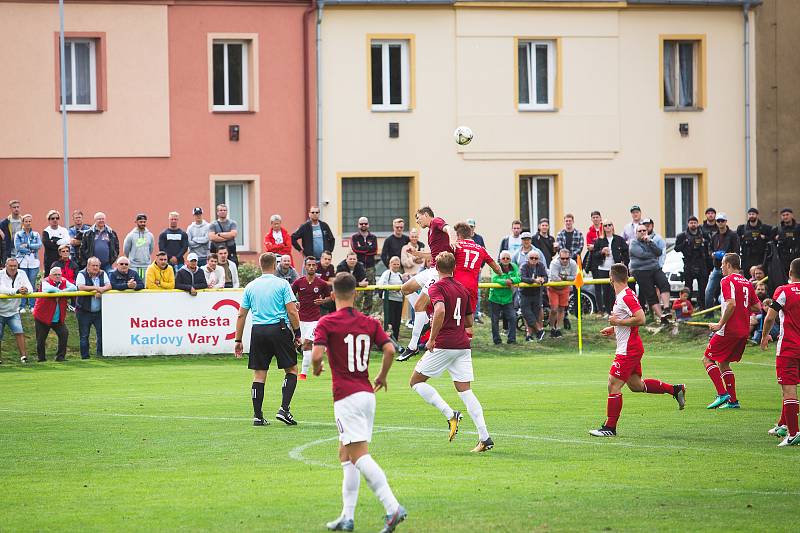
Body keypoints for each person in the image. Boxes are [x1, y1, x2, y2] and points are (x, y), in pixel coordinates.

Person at [310, 272, 406, 533]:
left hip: (346, 396)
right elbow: (389, 349)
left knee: (359, 455)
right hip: (366, 394)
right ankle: (347, 517)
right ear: (356, 294)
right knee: (345, 454)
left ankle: (392, 507)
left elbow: (316, 354)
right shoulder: (370, 322)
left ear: (332, 295)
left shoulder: (327, 322)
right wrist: (382, 375)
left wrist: (318, 367)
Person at [408, 251, 494, 452]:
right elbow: (469, 322)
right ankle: (485, 437)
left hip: (444, 344)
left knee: (415, 382)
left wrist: (431, 339)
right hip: (462, 346)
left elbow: (439, 311)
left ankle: (450, 414)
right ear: (454, 268)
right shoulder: (462, 289)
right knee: (466, 391)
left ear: (436, 269)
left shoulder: (436, 287)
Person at [589, 263, 686, 437]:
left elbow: (640, 319)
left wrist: (617, 323)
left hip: (628, 349)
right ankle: (675, 389)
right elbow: (630, 319)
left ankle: (610, 428)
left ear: (611, 278)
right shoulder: (625, 295)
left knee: (613, 384)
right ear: (627, 277)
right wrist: (614, 328)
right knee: (636, 386)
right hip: (630, 347)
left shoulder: (626, 296)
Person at [233, 253, 302, 426]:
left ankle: (258, 416)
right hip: (279, 329)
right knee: (291, 370)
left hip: (258, 331)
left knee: (259, 375)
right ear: (275, 265)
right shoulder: (282, 284)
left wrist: (238, 340)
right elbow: (292, 311)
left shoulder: (251, 286)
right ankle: (284, 410)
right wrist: (298, 333)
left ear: (260, 265)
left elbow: (241, 314)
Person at [701, 253, 760, 410]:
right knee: (724, 363)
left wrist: (720, 324)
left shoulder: (726, 280)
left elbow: (731, 304)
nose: (720, 267)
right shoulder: (747, 282)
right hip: (743, 330)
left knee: (707, 359)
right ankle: (733, 401)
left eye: (722, 264)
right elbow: (757, 307)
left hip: (729, 329)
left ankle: (722, 394)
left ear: (728, 264)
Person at [760, 257, 800, 446]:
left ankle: (793, 433)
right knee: (790, 390)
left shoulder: (783, 290)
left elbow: (769, 317)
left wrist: (765, 335)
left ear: (790, 273)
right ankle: (784, 425)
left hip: (789, 348)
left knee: (788, 389)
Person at [452, 222, 501, 325]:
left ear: (459, 235)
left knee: (453, 318)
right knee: (469, 322)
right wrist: (500, 273)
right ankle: (464, 338)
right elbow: (496, 268)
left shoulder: (456, 246)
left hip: (456, 285)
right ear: (470, 234)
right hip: (472, 287)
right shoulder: (480, 249)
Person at [291, 256, 332, 380]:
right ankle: (318, 362)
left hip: (315, 319)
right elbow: (289, 295)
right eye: (309, 265)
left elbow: (330, 297)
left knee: (308, 344)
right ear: (305, 266)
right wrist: (295, 302)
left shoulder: (321, 283)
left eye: (313, 265)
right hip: (300, 319)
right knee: (300, 345)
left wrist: (323, 300)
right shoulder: (299, 282)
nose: (311, 267)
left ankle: (303, 374)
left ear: (316, 267)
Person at [629, 224, 670, 324]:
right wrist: (653, 255)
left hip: (655, 268)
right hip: (640, 270)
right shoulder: (633, 243)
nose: (643, 232)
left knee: (664, 283)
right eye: (640, 231)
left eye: (644, 230)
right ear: (636, 233)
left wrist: (650, 242)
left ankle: (667, 308)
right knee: (650, 294)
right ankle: (661, 317)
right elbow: (641, 254)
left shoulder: (650, 241)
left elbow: (659, 252)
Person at [33, 266, 76, 362]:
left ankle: (60, 357)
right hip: (42, 316)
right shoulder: (45, 282)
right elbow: (49, 290)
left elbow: (73, 287)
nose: (57, 276)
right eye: (55, 275)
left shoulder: (64, 281)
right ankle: (41, 359)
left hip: (57, 317)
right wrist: (62, 292)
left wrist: (62, 291)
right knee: (41, 339)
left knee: (64, 334)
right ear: (50, 275)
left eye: (59, 275)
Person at [591, 220, 629, 318]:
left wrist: (623, 263)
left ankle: (614, 311)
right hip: (602, 268)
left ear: (613, 227)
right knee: (605, 291)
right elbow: (594, 254)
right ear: (603, 228)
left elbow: (626, 252)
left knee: (614, 291)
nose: (607, 227)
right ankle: (608, 311)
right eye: (605, 225)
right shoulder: (600, 240)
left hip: (615, 268)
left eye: (609, 225)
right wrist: (601, 252)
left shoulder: (619, 239)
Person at [75, 257, 111, 359]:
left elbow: (109, 286)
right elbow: (80, 287)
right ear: (88, 266)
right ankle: (85, 357)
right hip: (83, 311)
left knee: (101, 334)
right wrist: (96, 288)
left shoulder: (103, 273)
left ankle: (100, 355)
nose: (95, 268)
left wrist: (101, 290)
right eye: (93, 266)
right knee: (84, 336)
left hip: (99, 311)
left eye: (97, 266)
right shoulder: (81, 274)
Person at [0, 257, 32, 364]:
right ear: (6, 266)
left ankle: (24, 357)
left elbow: (30, 288)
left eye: (15, 266)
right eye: (11, 266)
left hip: (13, 311)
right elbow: (2, 289)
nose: (13, 268)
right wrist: (17, 291)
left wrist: (26, 290)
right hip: (0, 311)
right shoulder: (0, 274)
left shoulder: (22, 273)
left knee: (19, 332)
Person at [675, 216, 711, 310]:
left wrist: (704, 242)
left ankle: (703, 306)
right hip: (689, 262)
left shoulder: (704, 234)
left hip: (701, 262)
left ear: (698, 224)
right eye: (691, 223)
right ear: (688, 224)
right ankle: (687, 307)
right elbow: (676, 249)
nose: (693, 224)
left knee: (703, 286)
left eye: (695, 222)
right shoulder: (682, 236)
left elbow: (710, 246)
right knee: (688, 287)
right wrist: (686, 243)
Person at [706, 213, 740, 309]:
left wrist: (726, 255)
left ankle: (731, 310)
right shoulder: (714, 236)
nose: (720, 223)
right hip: (717, 267)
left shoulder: (733, 235)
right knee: (709, 291)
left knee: (730, 291)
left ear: (726, 222)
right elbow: (710, 249)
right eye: (718, 221)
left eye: (722, 221)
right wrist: (713, 254)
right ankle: (709, 314)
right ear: (716, 222)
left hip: (730, 268)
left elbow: (736, 251)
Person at [489, 251, 520, 345]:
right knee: (495, 320)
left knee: (513, 318)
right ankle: (497, 341)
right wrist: (506, 281)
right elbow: (494, 279)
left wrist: (510, 280)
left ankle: (512, 340)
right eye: (503, 258)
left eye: (507, 258)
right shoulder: (496, 266)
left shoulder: (514, 266)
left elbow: (519, 278)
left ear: (510, 259)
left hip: (508, 298)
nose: (505, 260)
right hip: (495, 298)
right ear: (500, 259)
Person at [14, 214, 42, 313]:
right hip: (22, 262)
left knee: (32, 283)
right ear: (23, 222)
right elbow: (18, 248)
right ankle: (22, 306)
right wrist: (30, 250)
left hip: (34, 262)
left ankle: (32, 305)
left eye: (30, 221)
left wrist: (28, 245)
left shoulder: (36, 234)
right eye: (26, 221)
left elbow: (39, 245)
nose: (28, 223)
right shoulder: (18, 234)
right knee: (22, 282)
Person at [519, 250, 548, 341]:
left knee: (535, 314)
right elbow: (522, 278)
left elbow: (546, 277)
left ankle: (530, 335)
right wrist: (534, 281)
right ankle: (539, 330)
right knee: (527, 313)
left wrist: (543, 279)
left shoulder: (541, 265)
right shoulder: (524, 266)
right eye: (532, 258)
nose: (534, 260)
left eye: (536, 258)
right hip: (525, 293)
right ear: (528, 259)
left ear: (538, 259)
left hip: (536, 293)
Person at [351, 217, 378, 315]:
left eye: (365, 223)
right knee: (358, 292)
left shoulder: (373, 237)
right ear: (358, 225)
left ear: (368, 225)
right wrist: (368, 249)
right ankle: (356, 315)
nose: (363, 225)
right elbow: (355, 249)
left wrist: (362, 249)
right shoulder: (354, 237)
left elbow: (375, 250)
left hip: (370, 267)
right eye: (361, 224)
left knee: (369, 293)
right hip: (358, 268)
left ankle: (366, 315)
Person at [548, 249, 576, 337]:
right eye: (562, 258)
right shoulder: (554, 263)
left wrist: (563, 277)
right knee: (554, 309)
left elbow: (575, 277)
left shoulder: (573, 263)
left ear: (569, 258)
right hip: (553, 288)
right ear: (559, 257)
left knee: (561, 309)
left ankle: (558, 328)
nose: (565, 260)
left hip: (565, 288)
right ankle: (551, 327)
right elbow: (554, 277)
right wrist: (567, 278)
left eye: (567, 258)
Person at [737, 207, 771, 277]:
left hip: (760, 258)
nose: (751, 216)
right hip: (746, 258)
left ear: (757, 215)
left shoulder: (765, 228)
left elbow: (771, 240)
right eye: (749, 214)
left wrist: (765, 238)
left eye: (753, 214)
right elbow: (737, 241)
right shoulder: (742, 228)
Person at [378, 256, 405, 341]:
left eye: (398, 264)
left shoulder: (400, 275)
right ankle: (387, 340)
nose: (396, 266)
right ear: (390, 264)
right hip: (388, 300)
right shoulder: (387, 273)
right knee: (390, 321)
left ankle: (395, 339)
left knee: (397, 321)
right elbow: (381, 284)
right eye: (394, 264)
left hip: (399, 300)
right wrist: (394, 289)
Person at [123, 214, 155, 278]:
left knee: (145, 285)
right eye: (140, 222)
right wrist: (132, 258)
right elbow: (126, 250)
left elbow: (151, 249)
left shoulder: (150, 235)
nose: (142, 223)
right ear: (136, 222)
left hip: (146, 265)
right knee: (135, 285)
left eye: (144, 222)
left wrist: (146, 257)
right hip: (133, 266)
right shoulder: (131, 235)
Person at [773, 208, 800, 278]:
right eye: (783, 215)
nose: (785, 217)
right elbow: (772, 243)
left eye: (787, 214)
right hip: (783, 259)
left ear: (792, 215)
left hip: (796, 257)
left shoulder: (798, 228)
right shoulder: (777, 229)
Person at [42, 209, 70, 274]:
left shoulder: (63, 230)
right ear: (49, 220)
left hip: (62, 260)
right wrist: (61, 243)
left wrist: (55, 241)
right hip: (49, 260)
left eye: (57, 218)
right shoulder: (46, 231)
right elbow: (48, 245)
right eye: (52, 218)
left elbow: (68, 241)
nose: (55, 220)